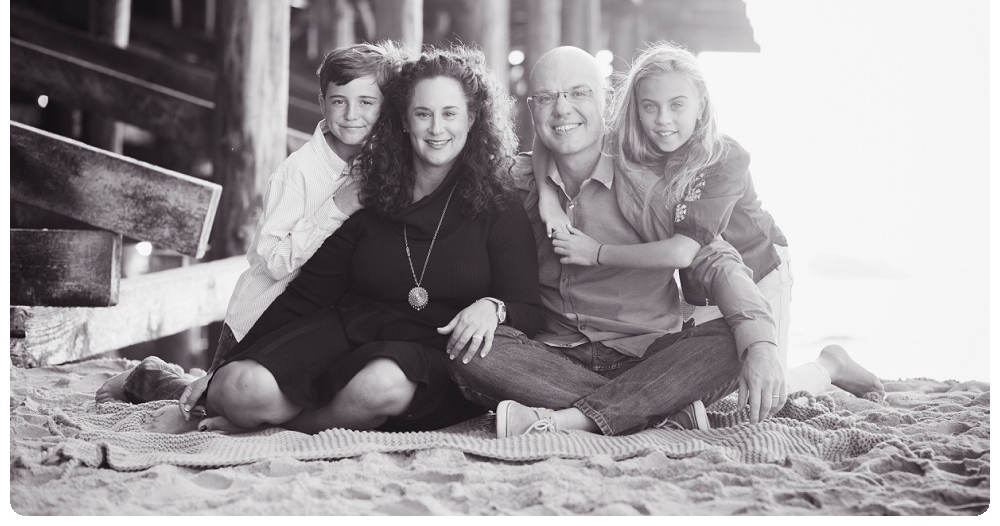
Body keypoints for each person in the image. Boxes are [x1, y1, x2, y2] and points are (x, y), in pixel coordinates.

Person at [143, 45, 544, 435]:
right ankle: (179, 390)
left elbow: (529, 309)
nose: (436, 129)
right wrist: (219, 367)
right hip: (353, 329)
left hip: (432, 355)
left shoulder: (496, 203)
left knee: (378, 386)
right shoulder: (372, 188)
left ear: (472, 118)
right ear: (404, 120)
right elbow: (309, 293)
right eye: (423, 113)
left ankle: (287, 426)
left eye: (449, 113)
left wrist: (494, 308)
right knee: (239, 387)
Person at [449, 46, 785, 439]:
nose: (562, 110)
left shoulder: (646, 184)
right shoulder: (516, 183)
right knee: (468, 348)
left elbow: (716, 262)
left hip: (645, 356)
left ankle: (573, 418)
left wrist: (760, 344)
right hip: (553, 358)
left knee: (731, 343)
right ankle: (655, 412)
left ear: (605, 100)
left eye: (578, 93)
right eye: (546, 98)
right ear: (532, 108)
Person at [534, 42, 883, 400]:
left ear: (701, 103)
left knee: (767, 389)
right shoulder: (637, 143)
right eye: (650, 107)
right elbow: (558, 134)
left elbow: (684, 251)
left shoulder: (723, 157)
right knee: (706, 391)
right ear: (634, 108)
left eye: (677, 105)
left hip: (757, 266)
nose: (663, 120)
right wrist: (548, 199)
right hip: (697, 283)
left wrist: (597, 252)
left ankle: (830, 365)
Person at [96, 41, 410, 406]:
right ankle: (147, 376)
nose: (352, 114)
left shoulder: (372, 166)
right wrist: (337, 207)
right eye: (339, 101)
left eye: (366, 102)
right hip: (260, 319)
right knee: (213, 400)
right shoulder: (298, 174)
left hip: (313, 324)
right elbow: (273, 261)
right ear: (323, 104)